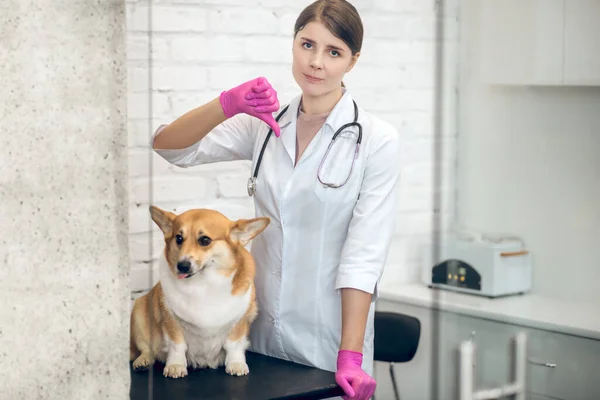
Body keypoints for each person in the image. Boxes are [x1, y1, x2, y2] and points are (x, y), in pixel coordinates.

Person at [151, 1, 400, 398]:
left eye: (333, 52)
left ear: (352, 61)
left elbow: (363, 256)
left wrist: (349, 355)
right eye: (307, 45)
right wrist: (227, 104)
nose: (316, 62)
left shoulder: (375, 140)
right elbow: (170, 148)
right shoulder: (264, 126)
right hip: (257, 332)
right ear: (294, 45)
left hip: (328, 336)